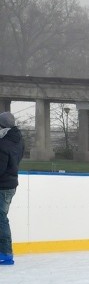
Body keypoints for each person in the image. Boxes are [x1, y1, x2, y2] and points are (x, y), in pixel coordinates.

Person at [0, 111, 24, 266]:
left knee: (1, 219)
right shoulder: (18, 140)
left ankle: (6, 253)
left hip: (2, 186)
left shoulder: (2, 143)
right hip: (11, 184)